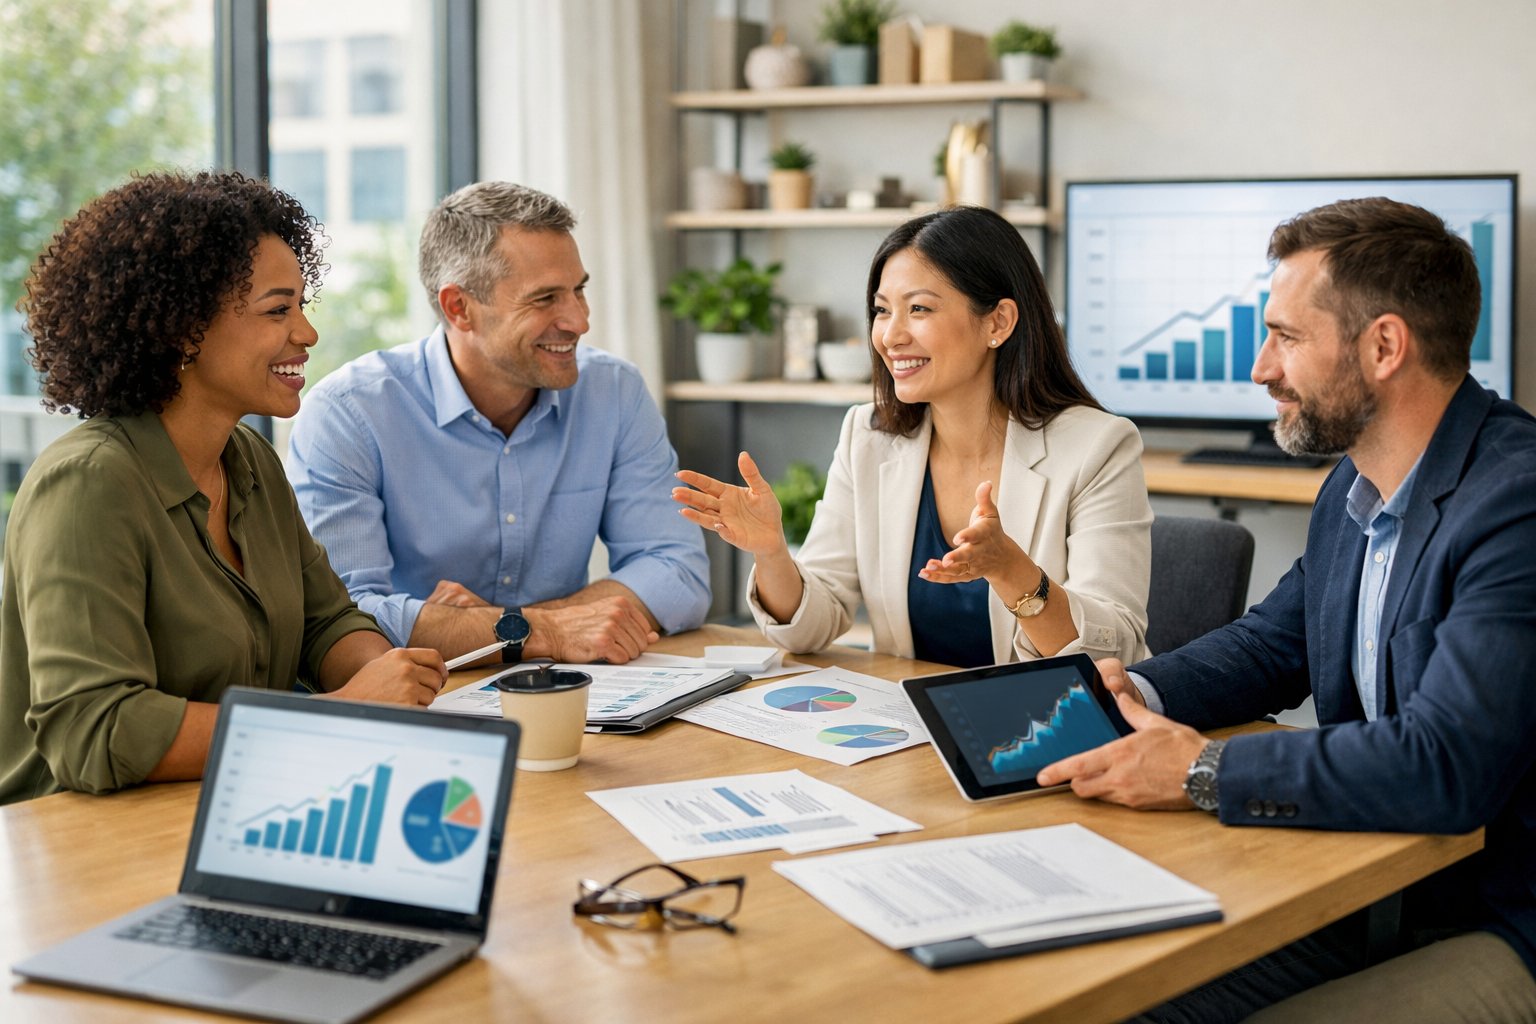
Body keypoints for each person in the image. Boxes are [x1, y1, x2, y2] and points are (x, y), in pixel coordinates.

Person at [1037, 197, 1536, 1021]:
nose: (1261, 369)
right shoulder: (1360, 477)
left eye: (1287, 337)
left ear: (1383, 346)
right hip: (1379, 884)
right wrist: (1132, 694)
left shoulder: (1514, 504)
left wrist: (1202, 771)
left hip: (1495, 917)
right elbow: (1275, 643)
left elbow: (1446, 765)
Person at [0, 172, 448, 805]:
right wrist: (341, 715)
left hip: (230, 811)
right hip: (79, 849)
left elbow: (325, 623)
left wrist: (385, 675)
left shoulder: (249, 462)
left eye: (301, 305)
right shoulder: (88, 484)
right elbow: (95, 730)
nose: (307, 334)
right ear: (183, 330)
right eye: (277, 310)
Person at [675, 206, 1151, 667]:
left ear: (998, 322)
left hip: (1053, 725)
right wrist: (772, 553)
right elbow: (810, 629)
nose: (890, 336)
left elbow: (1114, 652)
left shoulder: (1099, 447)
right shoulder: (868, 434)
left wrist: (1011, 571)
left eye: (919, 308)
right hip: (913, 726)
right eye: (882, 311)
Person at [286, 182, 709, 666]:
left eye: (579, 290)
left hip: (575, 695)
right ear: (458, 308)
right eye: (545, 298)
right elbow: (342, 619)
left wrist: (494, 624)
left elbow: (678, 572)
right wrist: (543, 631)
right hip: (424, 704)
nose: (579, 320)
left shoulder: (613, 392)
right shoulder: (349, 414)